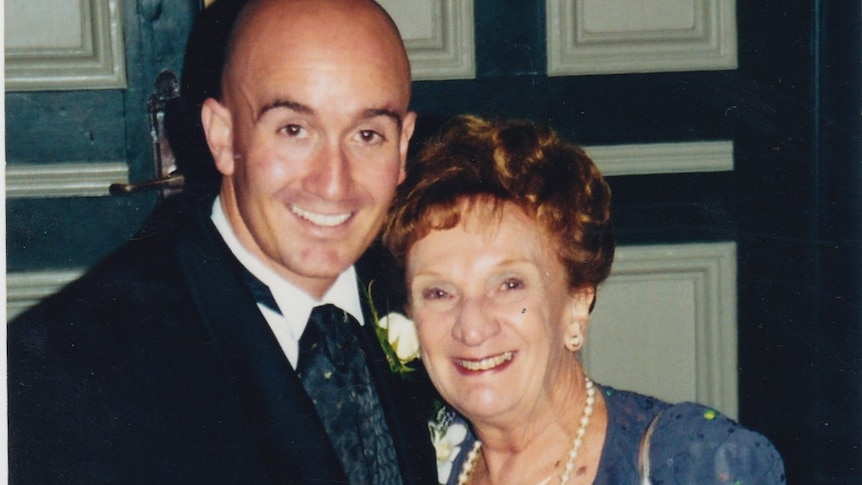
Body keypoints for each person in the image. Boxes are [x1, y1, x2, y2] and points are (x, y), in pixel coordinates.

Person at [7, 0, 438, 483]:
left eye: (367, 134)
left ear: (402, 146)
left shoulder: (438, 302)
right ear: (222, 135)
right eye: (294, 130)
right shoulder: (76, 370)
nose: (333, 183)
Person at [383, 115, 786, 484]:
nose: (471, 325)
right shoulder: (411, 460)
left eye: (509, 285)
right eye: (439, 292)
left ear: (577, 303)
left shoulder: (696, 461)